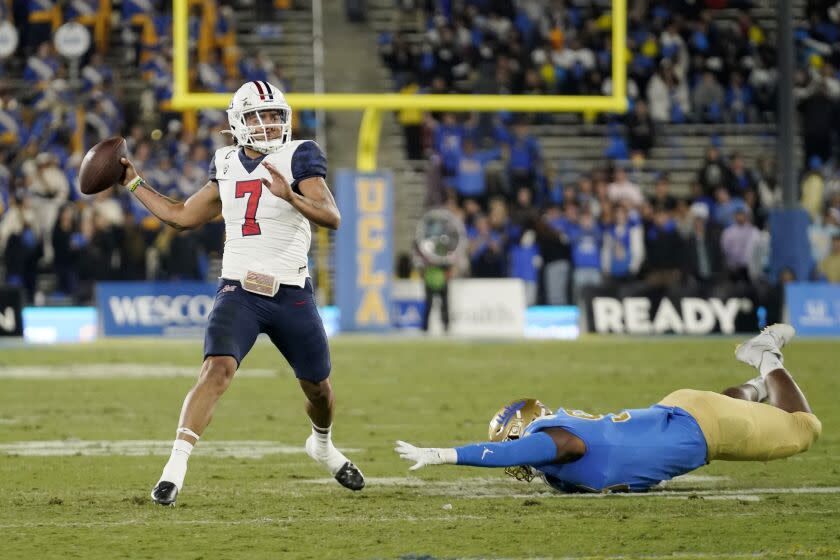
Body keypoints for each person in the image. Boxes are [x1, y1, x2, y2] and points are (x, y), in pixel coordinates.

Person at [118, 81, 365, 506]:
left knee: (320, 390)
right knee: (216, 370)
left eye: (274, 115)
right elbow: (181, 216)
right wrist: (134, 183)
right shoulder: (226, 162)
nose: (269, 124)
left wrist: (289, 195)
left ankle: (322, 444)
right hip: (238, 289)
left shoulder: (299, 155)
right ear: (238, 122)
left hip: (291, 293)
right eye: (259, 116)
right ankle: (173, 472)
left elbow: (332, 217)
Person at [395, 324, 821, 493]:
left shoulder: (557, 442)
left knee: (804, 428)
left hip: (701, 427)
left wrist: (442, 454)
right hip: (680, 411)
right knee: (732, 404)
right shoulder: (564, 471)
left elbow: (510, 453)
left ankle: (766, 357)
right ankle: (754, 387)